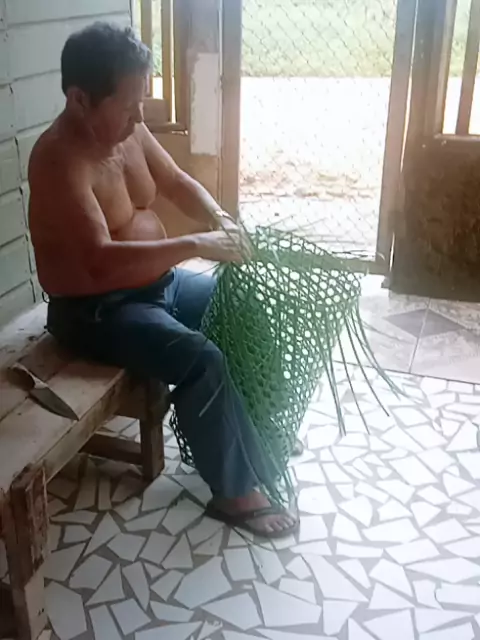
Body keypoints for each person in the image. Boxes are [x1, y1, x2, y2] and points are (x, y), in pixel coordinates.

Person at [28, 22, 298, 538]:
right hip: (98, 311)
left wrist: (220, 218)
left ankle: (263, 430)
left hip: (156, 285)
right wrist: (195, 245)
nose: (139, 117)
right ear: (80, 100)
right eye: (128, 106)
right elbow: (100, 261)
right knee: (200, 358)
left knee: (243, 305)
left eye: (141, 103)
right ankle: (234, 493)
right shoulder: (58, 160)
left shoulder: (127, 131)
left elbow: (174, 180)